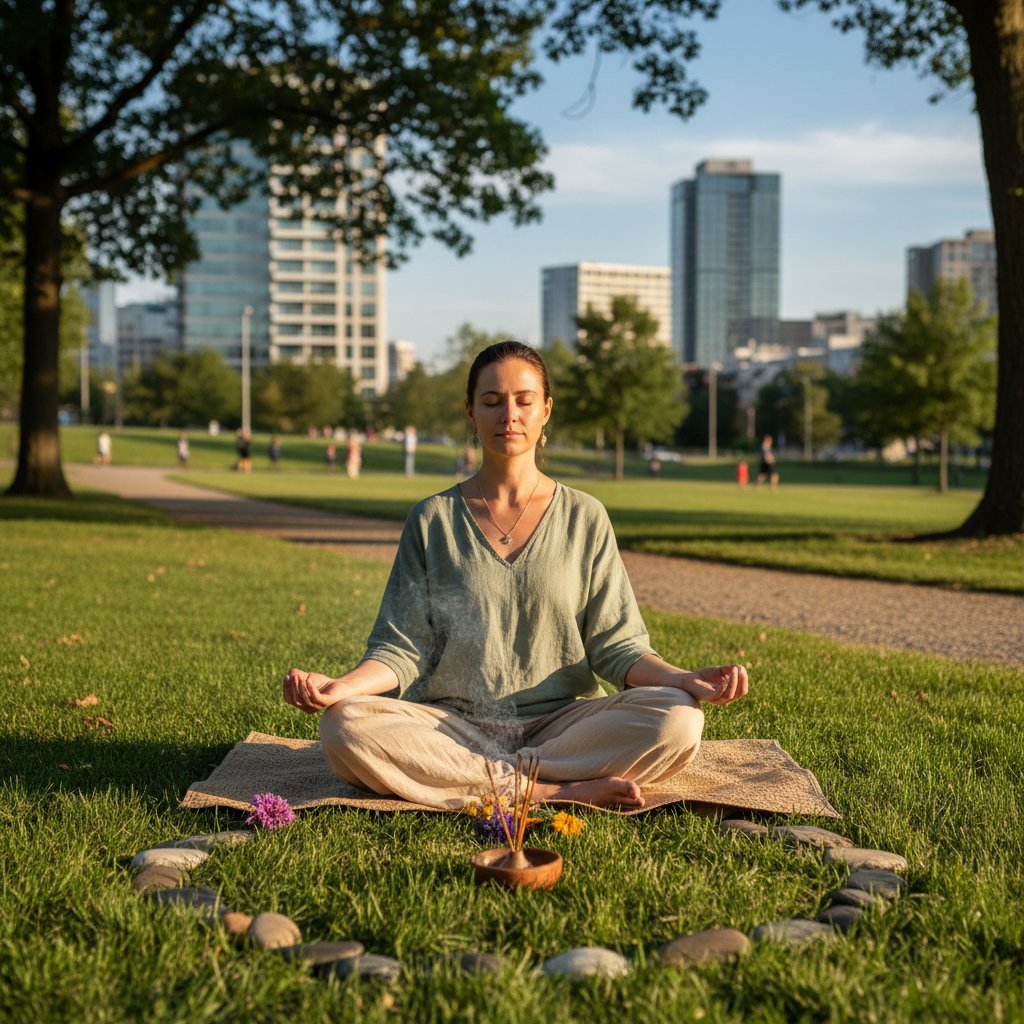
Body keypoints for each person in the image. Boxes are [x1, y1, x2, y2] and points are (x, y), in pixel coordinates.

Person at [283, 341, 748, 811]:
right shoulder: (433, 519)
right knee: (344, 726)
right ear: (471, 411)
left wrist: (685, 678)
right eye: (492, 402)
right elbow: (400, 648)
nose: (509, 415)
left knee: (678, 719)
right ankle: (549, 790)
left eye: (524, 401)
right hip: (452, 725)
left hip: (565, 725)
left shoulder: (585, 516)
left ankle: (475, 781)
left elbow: (618, 645)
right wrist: (343, 687)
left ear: (546, 410)